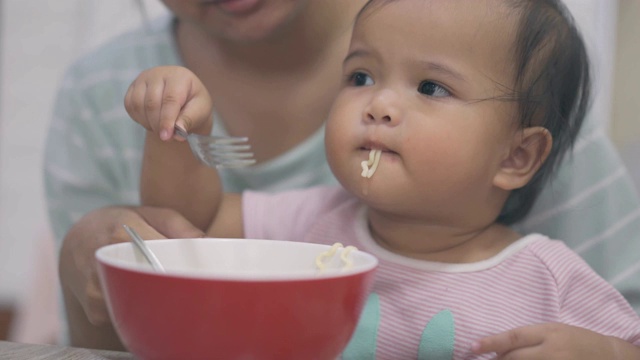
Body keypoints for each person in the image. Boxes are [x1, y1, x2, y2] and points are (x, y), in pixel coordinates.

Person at [45, 0, 640, 351]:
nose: (377, 104)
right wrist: (175, 131)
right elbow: (192, 229)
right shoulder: (314, 220)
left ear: (516, 157)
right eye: (359, 77)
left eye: (431, 88)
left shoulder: (553, 279)